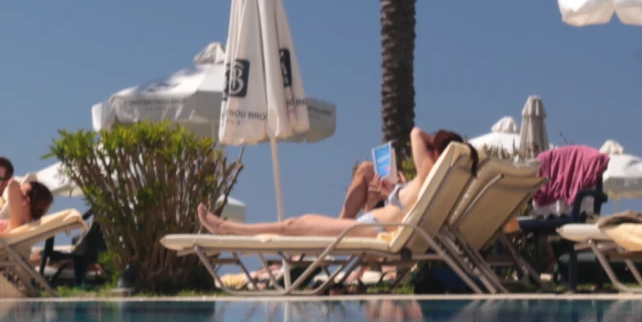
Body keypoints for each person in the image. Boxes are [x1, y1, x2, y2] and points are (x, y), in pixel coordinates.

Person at [196, 128, 466, 240]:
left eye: (431, 148)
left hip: (372, 228)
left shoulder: (430, 175)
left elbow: (416, 131)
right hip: (376, 224)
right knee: (297, 225)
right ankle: (229, 228)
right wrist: (391, 192)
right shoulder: (437, 185)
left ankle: (228, 229)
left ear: (435, 154)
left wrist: (431, 142)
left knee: (293, 226)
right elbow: (408, 208)